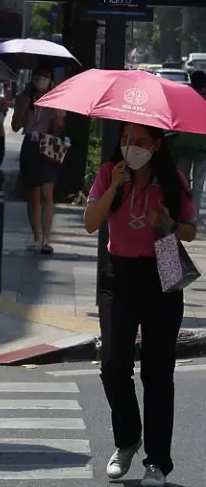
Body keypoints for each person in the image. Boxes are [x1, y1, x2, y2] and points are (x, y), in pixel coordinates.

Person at [84, 123, 196, 487]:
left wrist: (167, 222)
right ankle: (128, 439)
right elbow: (90, 223)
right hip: (118, 275)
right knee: (113, 366)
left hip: (161, 270)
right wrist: (114, 186)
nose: (131, 147)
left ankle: (158, 462)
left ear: (156, 145)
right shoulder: (108, 174)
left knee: (158, 374)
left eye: (140, 142)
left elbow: (191, 229)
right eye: (125, 140)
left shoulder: (172, 180)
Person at [12, 67, 66, 254]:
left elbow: (59, 128)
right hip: (30, 145)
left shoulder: (57, 98)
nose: (41, 80)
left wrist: (58, 117)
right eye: (38, 76)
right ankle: (36, 237)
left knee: (47, 192)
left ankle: (47, 239)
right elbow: (15, 126)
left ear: (51, 80)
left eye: (45, 76)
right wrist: (24, 110)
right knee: (33, 194)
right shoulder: (24, 98)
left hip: (48, 146)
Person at [170, 70, 206, 223]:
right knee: (198, 183)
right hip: (202, 147)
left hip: (183, 145)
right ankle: (194, 215)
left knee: (182, 180)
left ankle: (181, 212)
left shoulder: (185, 98)